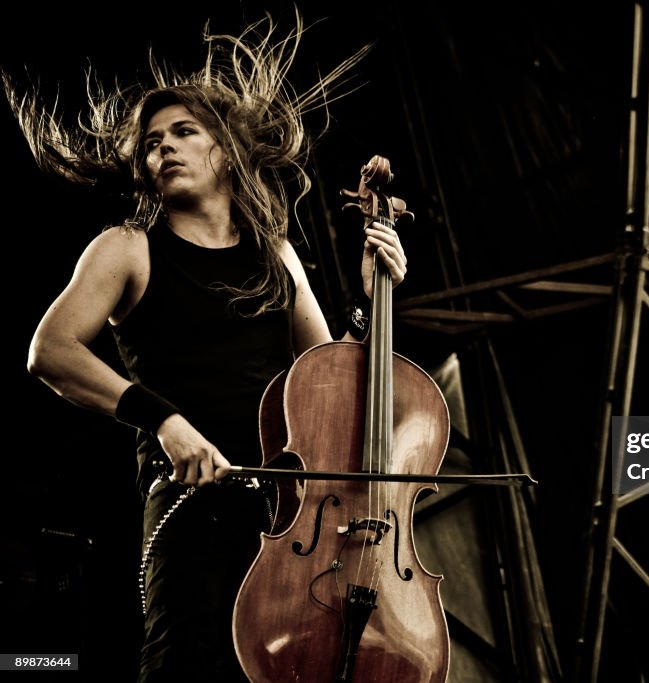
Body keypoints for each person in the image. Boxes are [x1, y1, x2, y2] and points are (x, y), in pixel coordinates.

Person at [7, 15, 407, 682]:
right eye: (151, 142)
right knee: (185, 666)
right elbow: (50, 350)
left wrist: (370, 297)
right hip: (190, 500)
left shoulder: (276, 254)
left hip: (289, 514)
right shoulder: (127, 247)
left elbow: (331, 378)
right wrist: (165, 421)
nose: (162, 147)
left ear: (226, 150)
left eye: (183, 132)